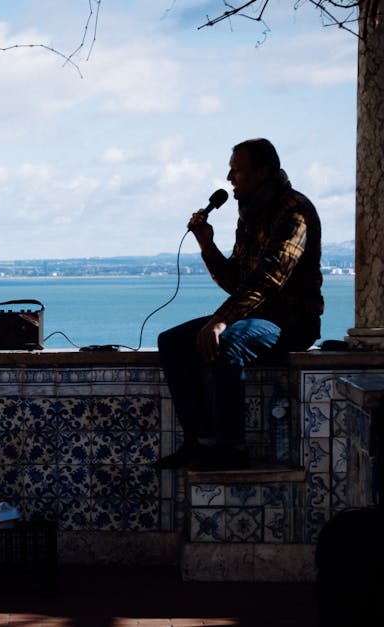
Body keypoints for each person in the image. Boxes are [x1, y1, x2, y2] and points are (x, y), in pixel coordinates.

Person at [155, 138, 323, 471]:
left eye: (237, 170)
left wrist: (221, 320)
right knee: (172, 342)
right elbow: (237, 281)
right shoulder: (249, 215)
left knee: (228, 341)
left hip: (291, 320)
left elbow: (269, 277)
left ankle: (231, 448)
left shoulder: (294, 210)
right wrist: (207, 246)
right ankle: (201, 442)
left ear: (262, 172)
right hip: (253, 315)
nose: (229, 178)